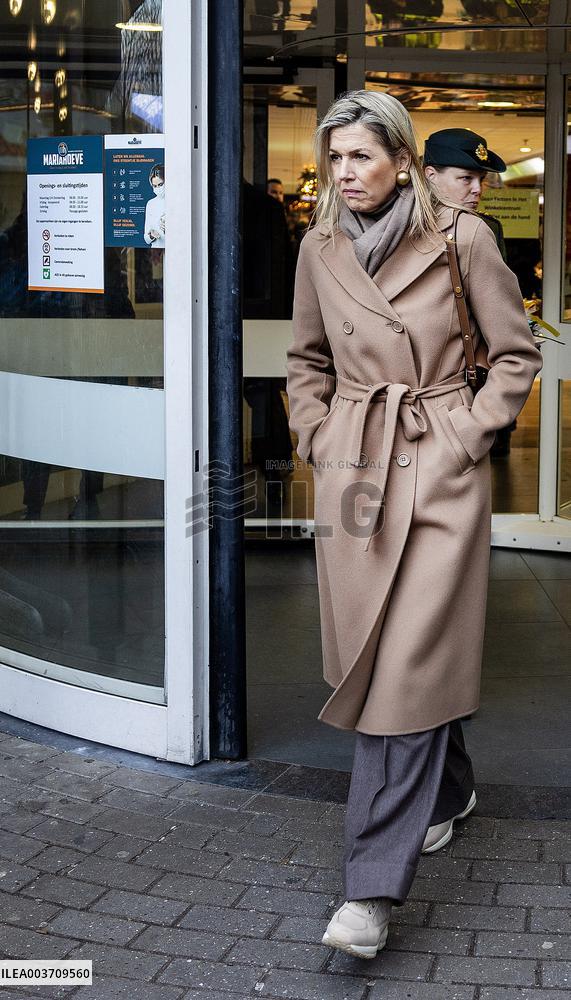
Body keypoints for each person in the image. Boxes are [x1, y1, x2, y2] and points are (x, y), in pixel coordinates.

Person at [285, 90, 542, 960]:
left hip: (435, 468)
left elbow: (514, 354)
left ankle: (368, 891)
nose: (344, 172)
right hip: (355, 469)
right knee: (399, 658)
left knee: (400, 671)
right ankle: (449, 790)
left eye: (360, 155)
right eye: (334, 158)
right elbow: (306, 359)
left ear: (402, 160)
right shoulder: (319, 246)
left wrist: (466, 435)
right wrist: (316, 435)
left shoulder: (462, 238)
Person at [423, 128, 515, 455]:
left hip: (460, 389)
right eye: (466, 179)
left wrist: (481, 419)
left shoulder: (483, 230)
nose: (477, 189)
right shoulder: (394, 227)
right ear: (430, 176)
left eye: (481, 180)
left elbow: (499, 315)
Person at [143, 163, 165, 248]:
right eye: (155, 186)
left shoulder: (177, 201)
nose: (158, 188)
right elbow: (146, 239)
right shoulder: (151, 204)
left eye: (160, 184)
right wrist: (151, 235)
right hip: (157, 249)